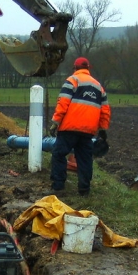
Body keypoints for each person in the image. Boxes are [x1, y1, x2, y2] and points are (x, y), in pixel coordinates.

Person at [49, 57, 111, 197]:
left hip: (69, 128)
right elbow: (105, 110)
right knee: (85, 159)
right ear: (88, 69)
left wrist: (55, 122)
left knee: (58, 154)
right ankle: (84, 190)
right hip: (88, 131)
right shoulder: (98, 86)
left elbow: (63, 103)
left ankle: (58, 187)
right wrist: (102, 129)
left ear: (75, 68)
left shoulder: (72, 81)